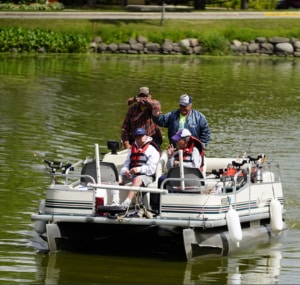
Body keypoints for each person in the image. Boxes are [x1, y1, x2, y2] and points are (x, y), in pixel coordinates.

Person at [111, 127, 160, 209]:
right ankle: (115, 201)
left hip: (147, 176)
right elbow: (126, 163)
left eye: (140, 136)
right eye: (136, 137)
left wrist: (138, 169)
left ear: (146, 136)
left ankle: (127, 202)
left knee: (137, 179)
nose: (138, 138)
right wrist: (125, 171)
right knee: (115, 179)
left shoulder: (152, 149)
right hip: (132, 175)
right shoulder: (132, 149)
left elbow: (151, 169)